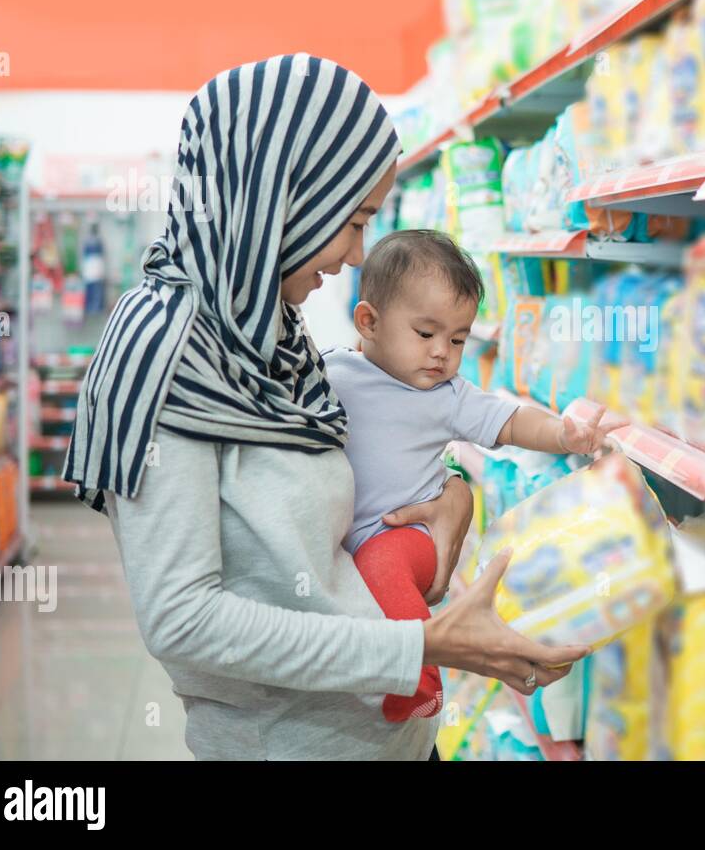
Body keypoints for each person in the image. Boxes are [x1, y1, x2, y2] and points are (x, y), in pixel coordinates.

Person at [63, 53, 587, 760]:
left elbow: (344, 499)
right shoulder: (163, 354)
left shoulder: (266, 327)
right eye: (353, 220)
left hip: (391, 736)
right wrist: (419, 644)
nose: (355, 254)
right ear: (279, 196)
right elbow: (182, 620)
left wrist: (452, 501)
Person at [323, 229, 617, 722]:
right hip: (346, 542)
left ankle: (421, 684)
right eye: (426, 334)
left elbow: (509, 420)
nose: (442, 352)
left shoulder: (447, 395)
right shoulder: (331, 371)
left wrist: (564, 435)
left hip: (405, 534)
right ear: (369, 322)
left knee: (382, 571)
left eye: (457, 339)